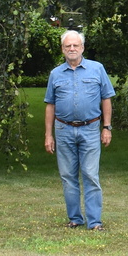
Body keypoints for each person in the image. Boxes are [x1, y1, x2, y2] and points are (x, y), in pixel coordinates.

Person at [44, 29, 115, 230]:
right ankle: (75, 218)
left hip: (91, 129)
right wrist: (48, 135)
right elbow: (50, 104)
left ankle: (94, 222)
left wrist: (106, 127)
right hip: (63, 130)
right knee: (68, 176)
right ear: (63, 49)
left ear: (82, 47)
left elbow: (106, 98)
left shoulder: (97, 69)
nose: (72, 49)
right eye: (68, 46)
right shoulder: (55, 74)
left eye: (76, 45)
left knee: (91, 175)